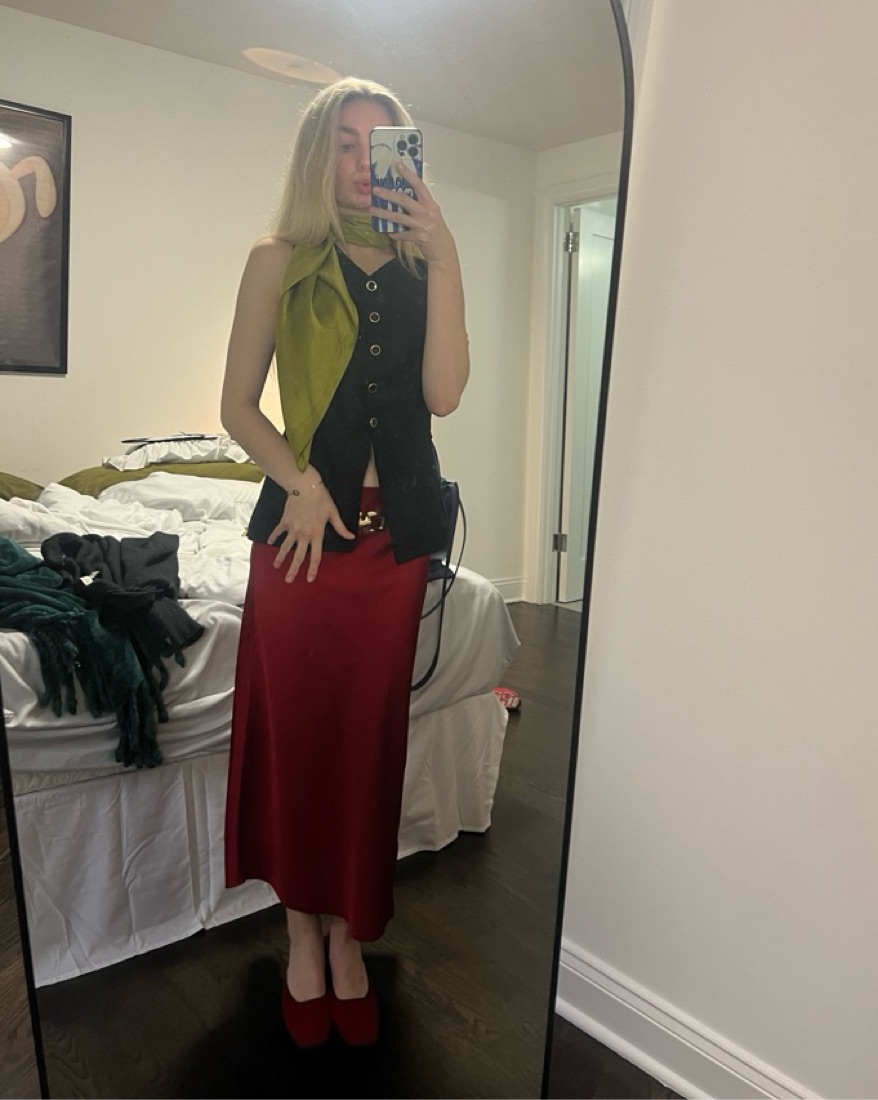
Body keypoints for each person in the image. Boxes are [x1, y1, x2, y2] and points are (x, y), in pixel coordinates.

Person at [219, 77, 469, 1049]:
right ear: (318, 157)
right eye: (348, 144)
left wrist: (445, 256)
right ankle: (300, 932)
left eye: (384, 145)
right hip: (298, 541)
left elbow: (442, 395)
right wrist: (298, 480)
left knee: (366, 747)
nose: (366, 163)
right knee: (298, 741)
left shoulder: (420, 265)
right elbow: (238, 405)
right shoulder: (275, 261)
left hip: (392, 544)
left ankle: (348, 934)